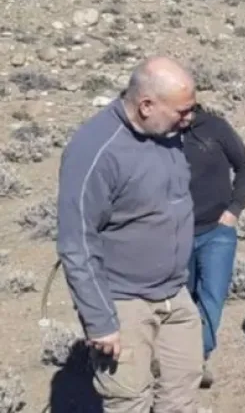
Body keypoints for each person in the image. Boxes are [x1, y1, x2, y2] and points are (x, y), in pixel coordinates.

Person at [56, 56, 201, 412]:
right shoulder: (96, 149)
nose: (190, 119)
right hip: (124, 302)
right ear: (146, 105)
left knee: (181, 396)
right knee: (129, 402)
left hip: (175, 296)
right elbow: (77, 243)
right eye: (182, 111)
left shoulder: (167, 134)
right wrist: (100, 320)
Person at [182, 103, 245, 388]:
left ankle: (197, 357)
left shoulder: (216, 128)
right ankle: (178, 357)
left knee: (212, 297)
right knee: (181, 299)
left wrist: (234, 209)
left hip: (217, 231)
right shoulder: (161, 134)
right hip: (176, 234)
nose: (181, 117)